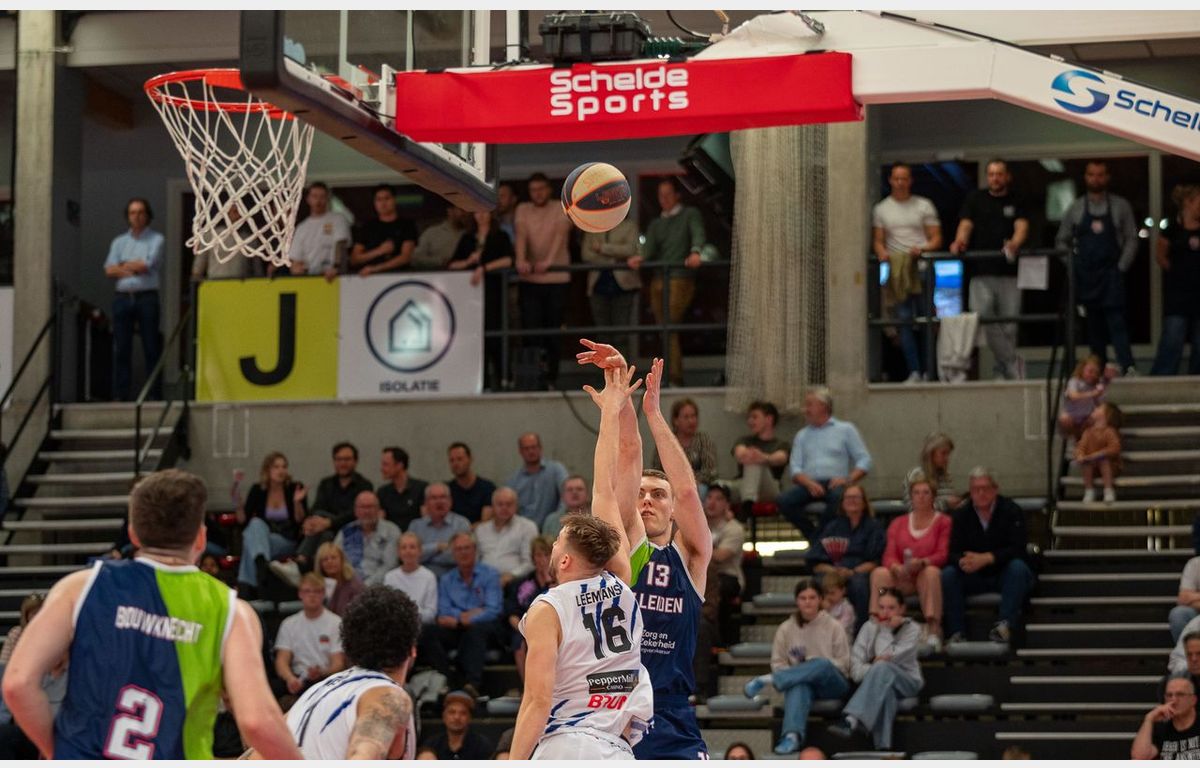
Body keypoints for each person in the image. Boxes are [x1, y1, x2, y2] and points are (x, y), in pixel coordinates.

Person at [1, 469, 302, 759]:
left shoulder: (81, 586)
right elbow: (256, 721)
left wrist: (60, 752)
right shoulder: (232, 610)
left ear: (133, 534)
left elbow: (17, 684)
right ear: (200, 538)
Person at [509, 364, 653, 760]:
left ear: (566, 560)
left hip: (568, 744)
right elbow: (604, 487)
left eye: (557, 541)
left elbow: (537, 701)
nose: (553, 545)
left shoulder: (548, 608)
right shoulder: (620, 580)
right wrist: (611, 411)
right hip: (617, 748)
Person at [578, 343, 713, 760]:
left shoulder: (690, 559)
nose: (648, 500)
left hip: (672, 712)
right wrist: (620, 398)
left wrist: (653, 413)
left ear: (672, 510)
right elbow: (627, 455)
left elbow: (687, 491)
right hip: (616, 710)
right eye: (641, 494)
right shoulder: (627, 551)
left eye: (658, 494)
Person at [280, 586, 419, 759]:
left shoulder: (312, 695)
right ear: (412, 649)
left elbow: (254, 754)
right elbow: (362, 757)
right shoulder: (388, 697)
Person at [742, 578, 851, 755]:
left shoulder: (834, 626)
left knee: (821, 664)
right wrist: (804, 672)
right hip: (803, 685)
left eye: (812, 597)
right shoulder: (786, 629)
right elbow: (778, 663)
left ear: (820, 599)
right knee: (799, 684)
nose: (808, 602)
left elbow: (844, 664)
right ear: (797, 601)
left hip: (833, 684)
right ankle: (791, 736)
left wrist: (813, 665)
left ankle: (768, 680)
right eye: (803, 598)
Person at [1055, 160, 1139, 375]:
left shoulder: (1120, 205)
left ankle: (1127, 366)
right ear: (1085, 177)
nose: (1096, 179)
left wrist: (1121, 267)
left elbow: (1131, 238)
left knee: (1117, 322)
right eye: (1091, 174)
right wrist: (1073, 266)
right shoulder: (1075, 207)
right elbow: (1061, 241)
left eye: (1100, 175)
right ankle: (1097, 371)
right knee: (1093, 326)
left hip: (1111, 273)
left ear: (1107, 177)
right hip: (1086, 275)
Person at [949, 158, 1030, 380]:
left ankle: (1003, 369)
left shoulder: (1017, 199)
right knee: (983, 317)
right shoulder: (975, 198)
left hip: (1009, 273)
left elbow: (1022, 227)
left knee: (1010, 325)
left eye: (999, 174)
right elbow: (965, 225)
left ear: (1007, 176)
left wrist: (1014, 243)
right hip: (981, 270)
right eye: (991, 174)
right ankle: (1012, 362)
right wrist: (959, 242)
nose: (995, 178)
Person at [941, 467, 1036, 644]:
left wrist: (987, 558)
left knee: (1018, 568)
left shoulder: (1011, 510)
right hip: (973, 574)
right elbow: (951, 552)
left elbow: (1018, 548)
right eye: (976, 489)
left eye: (985, 488)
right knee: (948, 574)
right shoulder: (961, 514)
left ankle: (1004, 626)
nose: (981, 493)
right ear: (970, 492)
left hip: (1003, 573)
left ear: (995, 489)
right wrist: (962, 561)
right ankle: (956, 632)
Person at [872, 161, 944, 382]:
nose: (900, 183)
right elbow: (878, 240)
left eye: (904, 178)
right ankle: (914, 371)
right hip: (897, 272)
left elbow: (936, 238)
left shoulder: (924, 205)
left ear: (910, 181)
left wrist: (922, 249)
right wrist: (882, 253)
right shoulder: (881, 209)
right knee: (903, 320)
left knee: (926, 320)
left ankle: (929, 371)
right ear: (890, 180)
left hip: (921, 268)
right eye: (897, 179)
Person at [632, 178, 706, 386]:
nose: (663, 199)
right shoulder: (657, 223)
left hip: (679, 277)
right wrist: (640, 258)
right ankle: (669, 376)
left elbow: (698, 234)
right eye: (660, 195)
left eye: (668, 194)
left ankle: (673, 376)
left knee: (669, 325)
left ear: (677, 195)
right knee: (663, 327)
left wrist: (696, 251)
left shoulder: (689, 215)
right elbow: (649, 249)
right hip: (659, 278)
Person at [828, 587, 923, 750]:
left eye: (891, 608)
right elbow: (856, 670)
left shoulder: (912, 628)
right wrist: (875, 667)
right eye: (881, 607)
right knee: (885, 690)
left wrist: (886, 630)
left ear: (902, 609)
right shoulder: (868, 628)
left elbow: (891, 657)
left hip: (908, 682)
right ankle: (883, 748)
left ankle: (851, 718)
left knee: (883, 668)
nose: (885, 613)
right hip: (880, 683)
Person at [776, 389, 873, 539]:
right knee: (783, 501)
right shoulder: (802, 435)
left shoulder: (846, 429)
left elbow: (864, 460)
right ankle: (817, 538)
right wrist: (808, 483)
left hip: (836, 483)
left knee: (839, 499)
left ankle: (818, 539)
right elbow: (795, 468)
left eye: (809, 405)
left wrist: (847, 479)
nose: (805, 410)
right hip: (809, 483)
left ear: (823, 406)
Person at [872, 471, 951, 648]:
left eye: (926, 493)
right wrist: (895, 567)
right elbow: (889, 554)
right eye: (916, 493)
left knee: (931, 572)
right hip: (902, 577)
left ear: (933, 496)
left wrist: (923, 562)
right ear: (911, 497)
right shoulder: (898, 523)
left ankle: (933, 629)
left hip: (925, 576)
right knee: (880, 573)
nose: (921, 497)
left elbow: (943, 553)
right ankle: (878, 626)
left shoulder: (944, 522)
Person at [279, 441, 375, 583]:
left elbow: (355, 514)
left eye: (347, 459)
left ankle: (300, 561)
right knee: (325, 530)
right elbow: (317, 508)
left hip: (351, 532)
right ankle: (309, 569)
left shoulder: (364, 485)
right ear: (334, 461)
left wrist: (328, 522)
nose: (343, 463)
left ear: (355, 461)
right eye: (339, 459)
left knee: (323, 520)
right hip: (326, 534)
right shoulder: (326, 483)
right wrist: (311, 522)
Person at [426, 532, 503, 696]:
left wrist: (467, 618)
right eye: (458, 549)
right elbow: (444, 611)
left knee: (476, 630)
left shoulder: (490, 574)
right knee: (427, 632)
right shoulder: (447, 579)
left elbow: (493, 610)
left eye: (467, 548)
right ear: (453, 553)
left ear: (475, 550)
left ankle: (472, 684)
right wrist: (464, 616)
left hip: (485, 628)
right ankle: (449, 679)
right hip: (457, 626)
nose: (463, 553)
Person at [515, 172, 574, 387]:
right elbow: (521, 234)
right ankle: (533, 378)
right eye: (533, 190)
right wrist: (521, 260)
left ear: (548, 190)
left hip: (556, 278)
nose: (537, 194)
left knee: (553, 331)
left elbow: (561, 234)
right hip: (530, 279)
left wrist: (548, 261)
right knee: (531, 331)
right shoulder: (523, 209)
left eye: (541, 189)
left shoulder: (560, 207)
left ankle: (551, 378)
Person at [104, 197, 164, 401]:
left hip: (146, 298)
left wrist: (123, 266)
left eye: (140, 212)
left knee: (151, 346)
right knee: (122, 348)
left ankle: (154, 395)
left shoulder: (156, 239)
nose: (136, 216)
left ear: (147, 215)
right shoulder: (119, 242)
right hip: (122, 298)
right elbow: (109, 270)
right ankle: (121, 394)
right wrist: (133, 266)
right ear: (127, 217)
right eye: (132, 213)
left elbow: (147, 265)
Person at [448, 209, 514, 389]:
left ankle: (504, 379)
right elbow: (452, 264)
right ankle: (481, 381)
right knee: (476, 337)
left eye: (485, 212)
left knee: (497, 336)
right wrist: (468, 262)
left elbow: (508, 260)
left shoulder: (500, 236)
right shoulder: (467, 238)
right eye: (477, 213)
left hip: (495, 292)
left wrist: (484, 268)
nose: (482, 216)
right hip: (471, 296)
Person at [805, 484, 886, 631]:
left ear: (864, 502)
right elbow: (815, 560)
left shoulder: (874, 527)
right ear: (842, 502)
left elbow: (876, 561)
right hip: (832, 571)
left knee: (859, 586)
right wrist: (833, 571)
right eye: (848, 497)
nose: (852, 500)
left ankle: (862, 632)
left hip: (860, 572)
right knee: (816, 584)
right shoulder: (832, 527)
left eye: (856, 497)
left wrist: (852, 572)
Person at [236, 451, 307, 597]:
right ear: (267, 470)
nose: (281, 470)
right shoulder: (258, 489)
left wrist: (296, 502)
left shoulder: (295, 488)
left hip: (287, 540)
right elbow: (244, 521)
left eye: (284, 467)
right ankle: (262, 568)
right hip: (264, 539)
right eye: (276, 467)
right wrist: (238, 506)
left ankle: (247, 588)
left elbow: (300, 521)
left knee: (250, 544)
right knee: (255, 524)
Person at [1151, 183, 1200, 376]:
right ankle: (1162, 378)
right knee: (1173, 338)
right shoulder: (1172, 228)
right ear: (1188, 202)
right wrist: (1178, 272)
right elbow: (1160, 255)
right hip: (1178, 294)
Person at [274, 572, 347, 696]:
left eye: (317, 591)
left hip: (325, 679)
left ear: (323, 594)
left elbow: (338, 663)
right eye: (307, 591)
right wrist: (290, 678)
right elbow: (282, 660)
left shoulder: (335, 622)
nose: (312, 595)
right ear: (300, 594)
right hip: (297, 677)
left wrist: (322, 672)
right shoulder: (289, 623)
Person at [581, 215, 641, 351]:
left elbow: (630, 250)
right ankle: (605, 366)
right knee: (602, 335)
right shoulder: (592, 227)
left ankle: (621, 365)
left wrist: (602, 249)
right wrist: (615, 256)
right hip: (597, 285)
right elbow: (586, 254)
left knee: (621, 334)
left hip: (623, 285)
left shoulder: (629, 226)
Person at [505, 536, 555, 685]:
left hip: (554, 627)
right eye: (538, 555)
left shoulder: (561, 582)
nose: (543, 560)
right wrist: (526, 629)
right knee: (520, 643)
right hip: (525, 628)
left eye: (547, 555)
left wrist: (550, 581)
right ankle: (529, 688)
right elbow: (512, 613)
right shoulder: (522, 583)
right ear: (533, 558)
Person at [731, 400, 790, 511]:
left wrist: (763, 458)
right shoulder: (744, 440)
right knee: (718, 488)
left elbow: (781, 458)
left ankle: (747, 505)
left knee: (755, 463)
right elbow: (739, 453)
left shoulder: (781, 445)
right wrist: (751, 454)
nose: (750, 421)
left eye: (754, 417)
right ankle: (746, 503)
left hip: (769, 488)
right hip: (743, 483)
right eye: (749, 418)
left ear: (769, 419)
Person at [333, 491, 402, 586]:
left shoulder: (391, 531)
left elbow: (390, 565)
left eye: (370, 507)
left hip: (381, 586)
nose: (366, 511)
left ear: (378, 509)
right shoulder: (346, 531)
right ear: (356, 511)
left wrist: (365, 586)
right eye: (362, 507)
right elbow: (335, 558)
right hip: (348, 584)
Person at [706, 484, 745, 647]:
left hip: (728, 576)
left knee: (721, 588)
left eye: (719, 499)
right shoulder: (699, 522)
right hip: (703, 575)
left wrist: (694, 547)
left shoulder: (734, 528)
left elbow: (719, 557)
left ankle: (720, 642)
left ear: (727, 505)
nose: (712, 502)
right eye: (709, 497)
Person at [286, 182, 350, 280]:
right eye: (315, 196)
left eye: (322, 197)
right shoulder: (302, 227)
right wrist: (297, 269)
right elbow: (295, 258)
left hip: (333, 277)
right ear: (308, 199)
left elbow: (341, 244)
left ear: (327, 198)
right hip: (310, 278)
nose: (318, 201)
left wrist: (336, 267)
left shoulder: (338, 219)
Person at [476, 486, 539, 587]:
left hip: (516, 582)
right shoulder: (481, 530)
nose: (504, 508)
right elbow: (476, 561)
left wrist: (512, 575)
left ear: (516, 506)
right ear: (492, 507)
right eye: (500, 504)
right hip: (484, 582)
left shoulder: (528, 527)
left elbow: (531, 562)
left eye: (509, 504)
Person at [350, 183, 418, 276]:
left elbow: (406, 257)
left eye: (387, 198)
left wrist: (376, 269)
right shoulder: (367, 227)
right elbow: (355, 259)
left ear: (394, 200)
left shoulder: (407, 225)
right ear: (374, 203)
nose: (383, 203)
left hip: (400, 276)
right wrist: (380, 251)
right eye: (379, 199)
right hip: (369, 278)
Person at [653, 397, 718, 494]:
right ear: (676, 420)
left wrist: (692, 481)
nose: (691, 421)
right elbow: (657, 469)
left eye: (693, 416)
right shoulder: (666, 441)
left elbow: (710, 470)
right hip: (670, 484)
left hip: (698, 485)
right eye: (686, 417)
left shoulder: (703, 440)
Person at [506, 432, 569, 529]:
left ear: (540, 448)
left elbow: (567, 495)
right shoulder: (513, 480)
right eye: (526, 448)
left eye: (534, 447)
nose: (531, 451)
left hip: (553, 527)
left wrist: (557, 519)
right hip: (524, 530)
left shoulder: (556, 470)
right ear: (520, 451)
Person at [408, 482, 471, 577]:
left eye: (443, 497)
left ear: (450, 501)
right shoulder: (416, 526)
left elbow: (461, 556)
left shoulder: (461, 524)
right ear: (426, 503)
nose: (439, 502)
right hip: (421, 579)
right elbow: (410, 556)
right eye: (434, 498)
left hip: (454, 578)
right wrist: (437, 547)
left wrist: (426, 554)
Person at [1132, 674, 1200, 759]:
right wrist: (1149, 719)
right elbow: (1139, 757)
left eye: (1180, 694)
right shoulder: (1160, 728)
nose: (1174, 700)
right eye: (1169, 695)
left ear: (1193, 700)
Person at [383, 533, 439, 627]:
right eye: (404, 547)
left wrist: (409, 616)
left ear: (420, 551)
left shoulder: (429, 576)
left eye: (412, 547)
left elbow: (431, 613)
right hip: (396, 626)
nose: (408, 551)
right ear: (398, 552)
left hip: (421, 626)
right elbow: (387, 608)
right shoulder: (390, 577)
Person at [420, 690, 493, 759]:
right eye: (452, 712)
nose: (457, 717)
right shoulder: (432, 745)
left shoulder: (482, 745)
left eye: (463, 713)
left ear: (469, 718)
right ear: (444, 716)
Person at [1075, 402, 1122, 504]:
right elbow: (1081, 446)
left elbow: (1115, 447)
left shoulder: (1109, 431)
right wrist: (1080, 455)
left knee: (1103, 461)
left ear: (1106, 415)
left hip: (1110, 466)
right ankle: (1089, 490)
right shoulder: (1088, 432)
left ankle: (1108, 490)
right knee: (1086, 463)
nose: (1095, 409)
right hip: (1093, 466)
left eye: (1099, 408)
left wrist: (1100, 454)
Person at [191, 202, 249, 281]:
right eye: (235, 212)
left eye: (241, 212)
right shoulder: (211, 235)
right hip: (215, 283)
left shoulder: (249, 239)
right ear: (227, 214)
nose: (238, 216)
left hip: (241, 284)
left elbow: (257, 269)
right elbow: (199, 266)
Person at [376, 446, 428, 532]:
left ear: (399, 465)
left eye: (386, 464)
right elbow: (380, 523)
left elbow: (426, 520)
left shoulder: (421, 489)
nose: (382, 469)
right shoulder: (382, 492)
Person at [1057, 355, 1108, 441]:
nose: (1093, 375)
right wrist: (1092, 394)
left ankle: (1084, 440)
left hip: (1087, 416)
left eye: (1096, 373)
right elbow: (1073, 396)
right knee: (1064, 419)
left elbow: (1100, 404)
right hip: (1072, 416)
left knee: (1100, 419)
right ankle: (1077, 439)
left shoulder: (1096, 385)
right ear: (1082, 369)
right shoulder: (1074, 381)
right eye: (1090, 371)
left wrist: (1099, 395)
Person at [909, 431, 962, 512]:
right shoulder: (916, 475)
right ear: (931, 453)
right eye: (943, 453)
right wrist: (945, 504)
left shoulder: (946, 476)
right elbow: (914, 509)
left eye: (948, 454)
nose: (947, 458)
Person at [447, 441, 497, 524]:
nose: (455, 464)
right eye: (452, 460)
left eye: (460, 459)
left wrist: (464, 529)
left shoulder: (487, 488)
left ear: (470, 459)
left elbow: (486, 523)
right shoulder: (447, 490)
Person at [315, 541, 364, 617]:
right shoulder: (317, 584)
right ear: (320, 564)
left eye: (333, 558)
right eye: (325, 559)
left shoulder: (355, 585)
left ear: (342, 560)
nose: (329, 561)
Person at [411, 205, 467, 270]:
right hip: (436, 274)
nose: (466, 213)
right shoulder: (432, 233)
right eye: (462, 210)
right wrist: (440, 261)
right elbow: (415, 258)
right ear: (450, 211)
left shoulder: (471, 234)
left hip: (469, 274)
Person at [0, 593, 44, 666]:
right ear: (26, 615)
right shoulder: (16, 633)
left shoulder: (52, 634)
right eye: (33, 613)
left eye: (40, 612)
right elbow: (3, 662)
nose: (37, 616)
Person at [542, 475, 590, 539]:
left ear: (587, 494)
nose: (574, 492)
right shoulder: (551, 521)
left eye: (579, 489)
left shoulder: (596, 518)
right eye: (569, 490)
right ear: (562, 496)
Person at [1171, 557, 1200, 643]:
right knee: (1179, 614)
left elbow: (1188, 597)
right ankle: (1186, 650)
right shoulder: (1195, 563)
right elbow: (1183, 598)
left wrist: (1195, 597)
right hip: (1197, 612)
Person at [821, 571, 856, 641]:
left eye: (832, 593)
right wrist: (823, 610)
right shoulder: (823, 606)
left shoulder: (847, 608)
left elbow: (840, 628)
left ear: (843, 591)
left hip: (843, 642)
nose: (829, 596)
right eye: (826, 593)